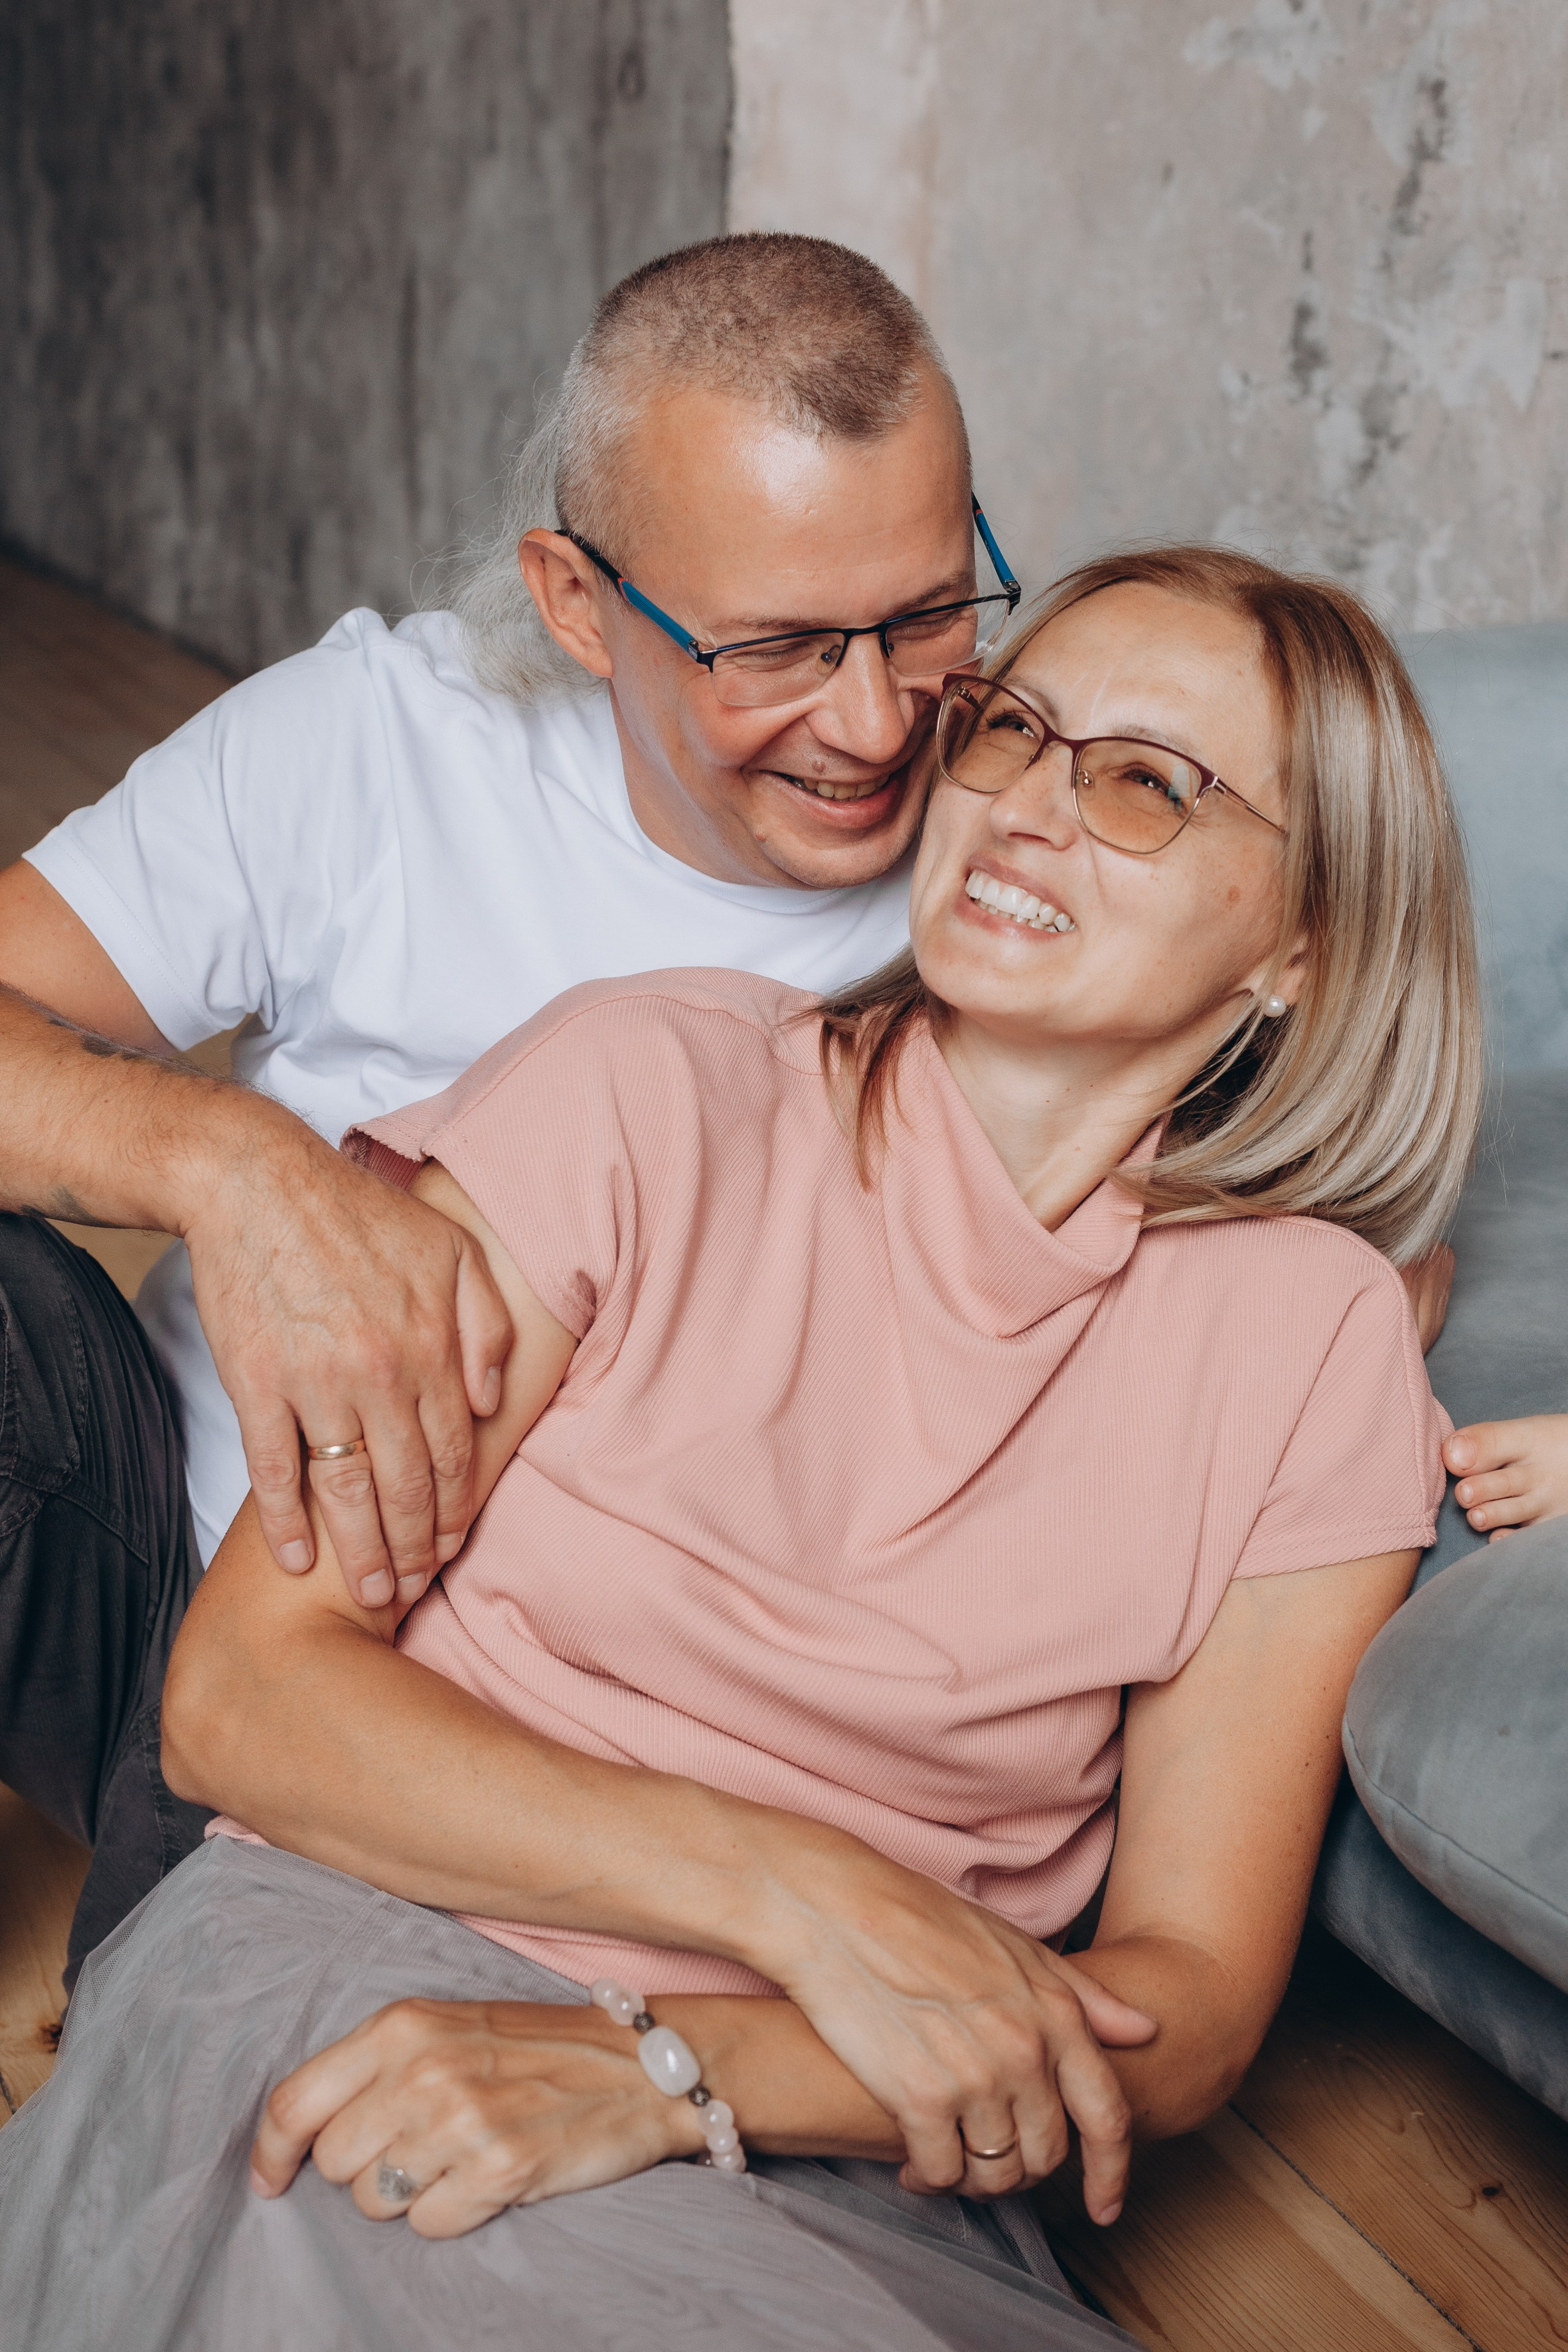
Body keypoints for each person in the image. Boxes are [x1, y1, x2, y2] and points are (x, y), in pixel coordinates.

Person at [0, 548, 1481, 2351]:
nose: (1023, 805)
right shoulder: (647, 1083)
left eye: (1145, 781)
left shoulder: (1308, 1333)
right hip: (369, 1945)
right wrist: (810, 1894)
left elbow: (1182, 2007)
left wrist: (678, 2065)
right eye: (1012, 730)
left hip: (854, 2116)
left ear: (1299, 944)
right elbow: (244, 1700)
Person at [0, 232, 1026, 1976]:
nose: (875, 722)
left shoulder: (1029, 858)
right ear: (574, 600)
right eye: (774, 647)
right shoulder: (385, 742)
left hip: (600, 1759)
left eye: (926, 611)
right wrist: (232, 1166)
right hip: (193, 1585)